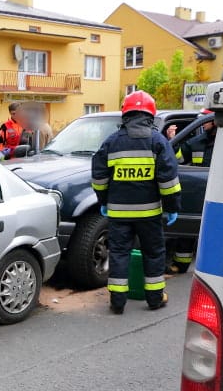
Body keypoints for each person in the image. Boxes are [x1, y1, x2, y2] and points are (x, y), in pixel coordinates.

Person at [91, 90, 181, 314]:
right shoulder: (158, 142)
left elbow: (99, 178)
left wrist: (104, 200)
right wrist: (171, 208)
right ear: (151, 114)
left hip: (119, 214)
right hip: (149, 214)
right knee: (153, 253)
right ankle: (155, 298)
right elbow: (168, 179)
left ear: (125, 114)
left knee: (120, 253)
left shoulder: (111, 142)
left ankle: (118, 302)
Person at [166, 109, 216, 273]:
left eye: (206, 119)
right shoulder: (197, 141)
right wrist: (172, 140)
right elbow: (178, 158)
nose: (203, 122)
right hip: (199, 192)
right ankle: (180, 265)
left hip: (220, 195)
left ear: (216, 121)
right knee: (187, 232)